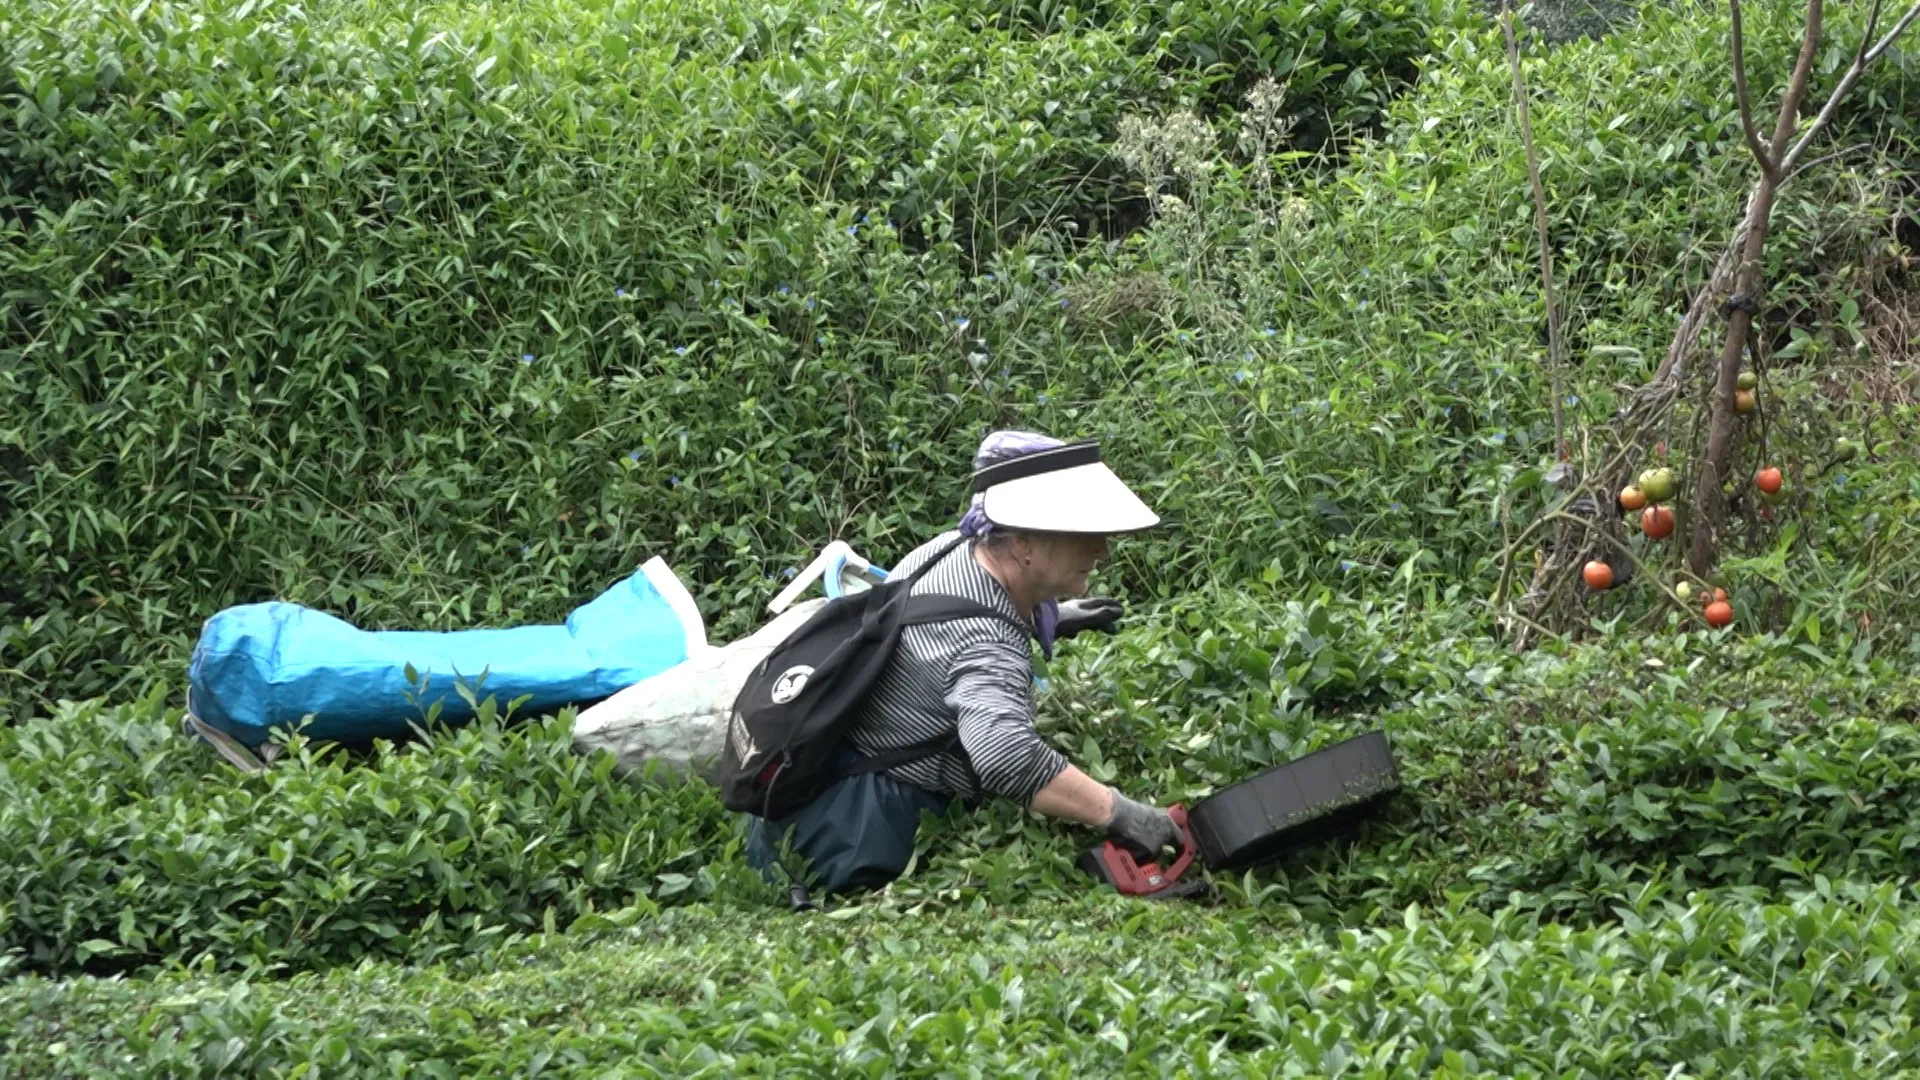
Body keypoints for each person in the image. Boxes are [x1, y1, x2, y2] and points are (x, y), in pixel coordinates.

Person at [745, 430, 1184, 900]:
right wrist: (1121, 813)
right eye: (1083, 535)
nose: (1102, 550)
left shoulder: (951, 548)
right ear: (1023, 544)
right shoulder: (983, 640)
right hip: (851, 828)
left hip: (809, 789)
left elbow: (936, 630)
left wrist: (1051, 615)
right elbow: (1006, 757)